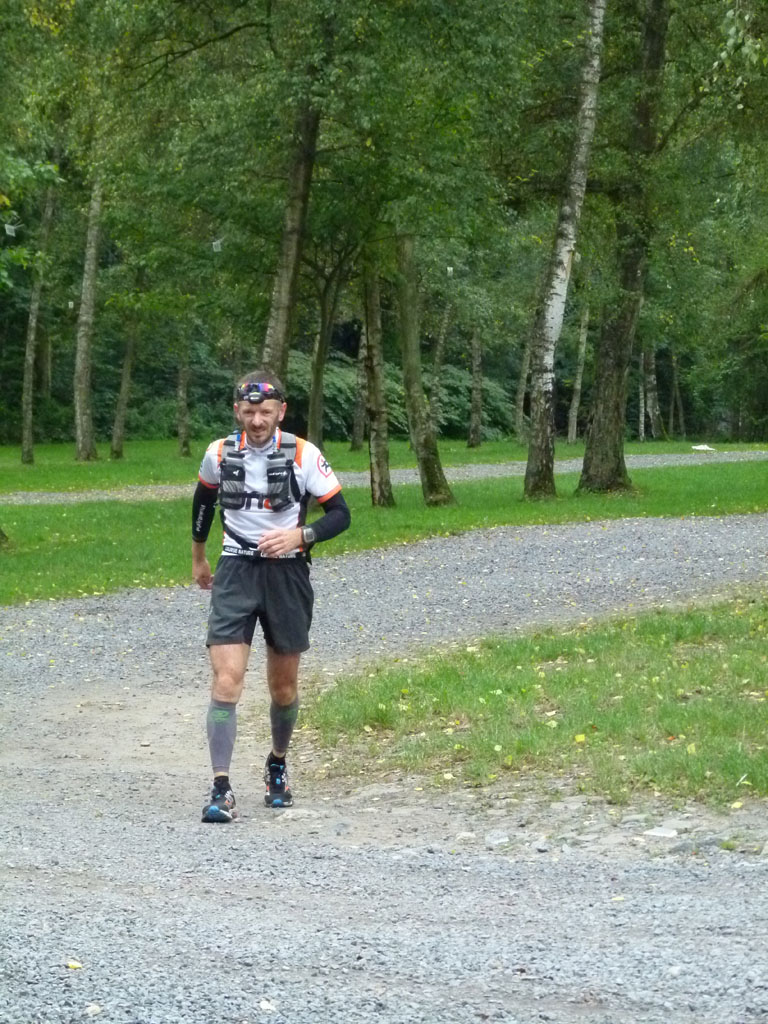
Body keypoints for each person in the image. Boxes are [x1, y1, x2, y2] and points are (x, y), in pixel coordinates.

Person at [192, 370, 351, 822]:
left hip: (287, 574)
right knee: (226, 681)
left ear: (281, 411)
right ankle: (221, 786)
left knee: (283, 688)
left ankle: (277, 762)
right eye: (249, 411)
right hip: (235, 571)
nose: (257, 420)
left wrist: (301, 535)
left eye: (265, 412)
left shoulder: (303, 454)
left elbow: (341, 514)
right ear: (237, 411)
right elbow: (202, 504)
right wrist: (199, 557)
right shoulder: (218, 453)